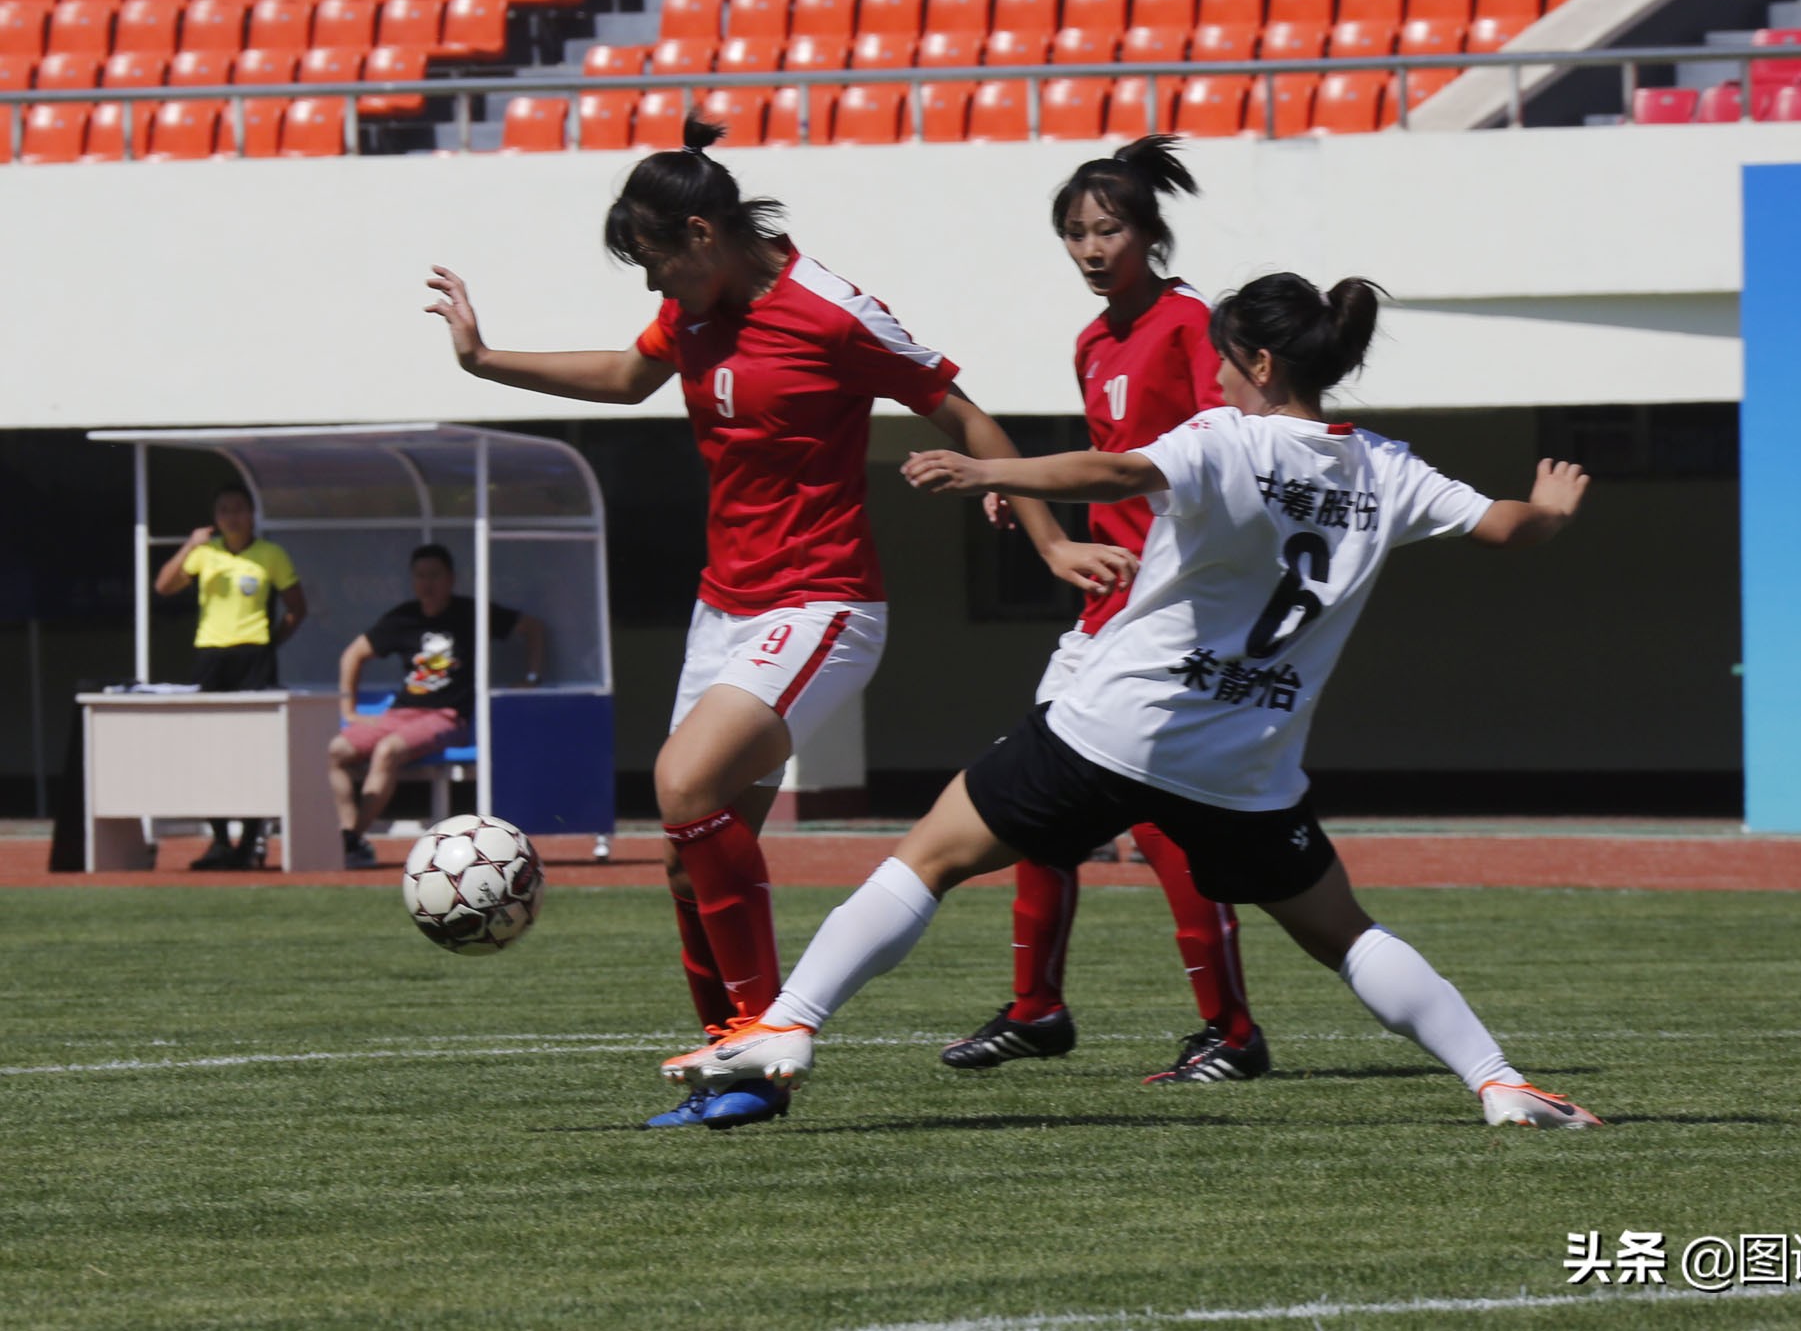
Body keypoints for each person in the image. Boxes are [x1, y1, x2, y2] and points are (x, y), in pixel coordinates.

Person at [667, 272, 1604, 1131]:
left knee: (929, 859)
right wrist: (1554, 512)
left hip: (1117, 727)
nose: (1218, 377)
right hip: (1246, 765)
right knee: (1344, 932)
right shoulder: (1388, 468)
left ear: (1262, 364)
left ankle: (789, 1026)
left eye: (1225, 360)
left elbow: (1115, 471)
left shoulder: (1225, 437)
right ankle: (1497, 1081)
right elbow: (1506, 527)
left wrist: (989, 471)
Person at [424, 113, 1134, 1131]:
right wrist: (484, 361)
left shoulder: (832, 313)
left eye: (657, 263)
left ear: (705, 236)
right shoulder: (697, 312)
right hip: (728, 605)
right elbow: (629, 381)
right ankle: (734, 1059)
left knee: (682, 781)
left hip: (822, 603)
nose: (652, 287)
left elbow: (963, 416)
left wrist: (1049, 540)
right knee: (684, 844)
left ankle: (764, 1045)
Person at [941, 136, 1271, 1086]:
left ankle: (1232, 1030)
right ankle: (1039, 1009)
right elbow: (1113, 464)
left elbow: (1233, 451)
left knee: (1160, 820)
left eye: (1108, 229)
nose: (1091, 248)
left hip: (1168, 610)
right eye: (1075, 233)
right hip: (1104, 609)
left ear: (1150, 232)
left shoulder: (1190, 325)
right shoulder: (1094, 341)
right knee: (1039, 806)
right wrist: (1024, 490)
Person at [331, 543, 545, 870]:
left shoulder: (470, 613)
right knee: (337, 750)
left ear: (451, 579)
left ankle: (349, 840)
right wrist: (349, 710)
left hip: (446, 717)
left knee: (387, 750)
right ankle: (351, 836)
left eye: (434, 575)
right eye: (420, 576)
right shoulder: (403, 618)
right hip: (399, 713)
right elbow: (352, 654)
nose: (427, 583)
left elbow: (533, 628)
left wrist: (530, 678)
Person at [153, 480, 307, 869]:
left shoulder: (270, 554)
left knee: (254, 751)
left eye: (238, 508)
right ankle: (220, 839)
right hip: (211, 655)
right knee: (209, 750)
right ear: (215, 517)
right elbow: (164, 585)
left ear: (252, 514)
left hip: (253, 655)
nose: (232, 516)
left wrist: (270, 644)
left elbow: (296, 608)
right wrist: (191, 545)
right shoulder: (205, 554)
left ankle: (253, 839)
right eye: (224, 509)